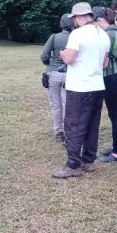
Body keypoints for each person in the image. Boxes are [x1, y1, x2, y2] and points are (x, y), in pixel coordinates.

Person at [52, 2, 111, 179]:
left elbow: (69, 58)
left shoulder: (77, 34)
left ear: (78, 17)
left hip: (79, 87)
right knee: (92, 124)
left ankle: (73, 165)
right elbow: (105, 63)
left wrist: (62, 54)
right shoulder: (103, 34)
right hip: (97, 85)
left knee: (74, 125)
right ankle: (88, 161)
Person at [93, 6, 117, 163]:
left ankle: (116, 153)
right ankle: (115, 147)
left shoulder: (108, 35)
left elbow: (103, 61)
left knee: (116, 115)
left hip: (113, 77)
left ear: (99, 20)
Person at [41, 14, 72, 144]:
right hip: (69, 73)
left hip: (54, 73)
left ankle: (58, 132)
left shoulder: (54, 37)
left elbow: (44, 55)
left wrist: (49, 63)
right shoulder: (75, 37)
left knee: (56, 105)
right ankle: (68, 131)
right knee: (67, 103)